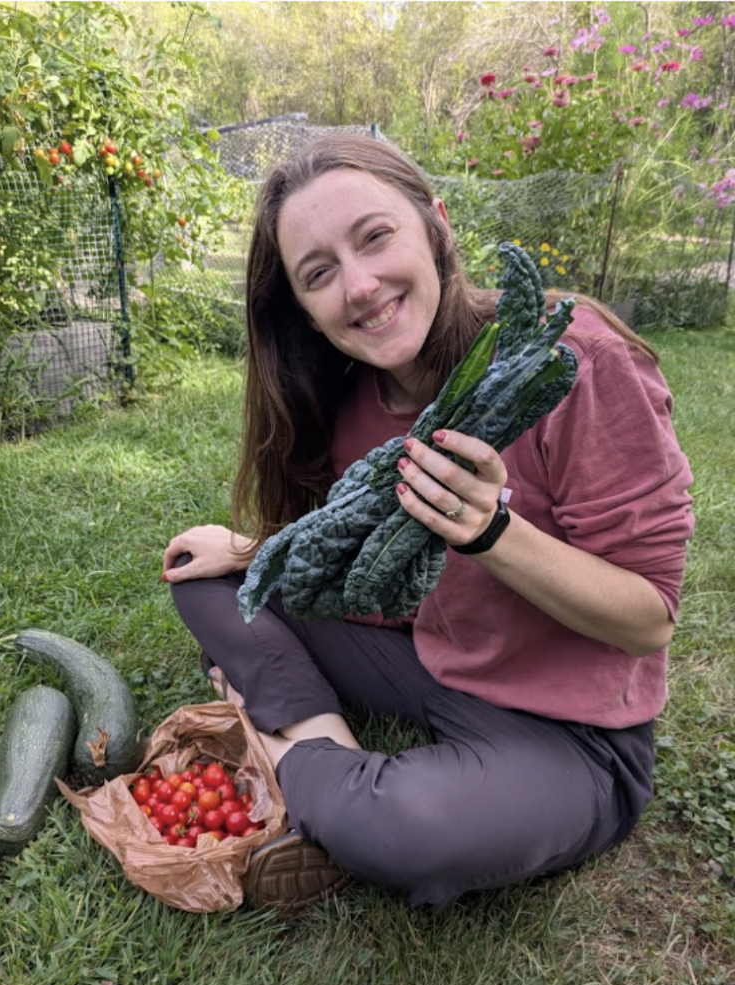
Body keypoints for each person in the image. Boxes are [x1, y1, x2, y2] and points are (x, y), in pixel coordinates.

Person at [161, 133, 694, 912]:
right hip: (431, 661)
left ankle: (282, 747)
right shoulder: (352, 406)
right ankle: (328, 756)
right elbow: (369, 580)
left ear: (436, 225)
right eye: (320, 274)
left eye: (374, 237)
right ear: (305, 312)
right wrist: (254, 552)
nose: (361, 285)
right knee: (203, 581)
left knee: (408, 829)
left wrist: (492, 534)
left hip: (573, 734)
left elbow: (649, 621)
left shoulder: (564, 359)